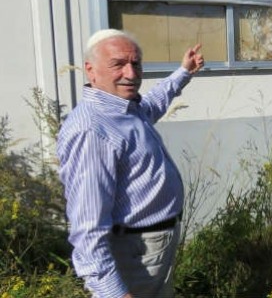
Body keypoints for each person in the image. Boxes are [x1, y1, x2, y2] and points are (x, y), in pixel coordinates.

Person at [56, 29, 205, 298]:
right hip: (135, 252)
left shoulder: (125, 108)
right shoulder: (92, 129)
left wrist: (183, 72)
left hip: (152, 246)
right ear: (91, 70)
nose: (131, 73)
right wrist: (114, 293)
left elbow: (153, 104)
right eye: (118, 64)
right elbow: (88, 229)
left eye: (135, 63)